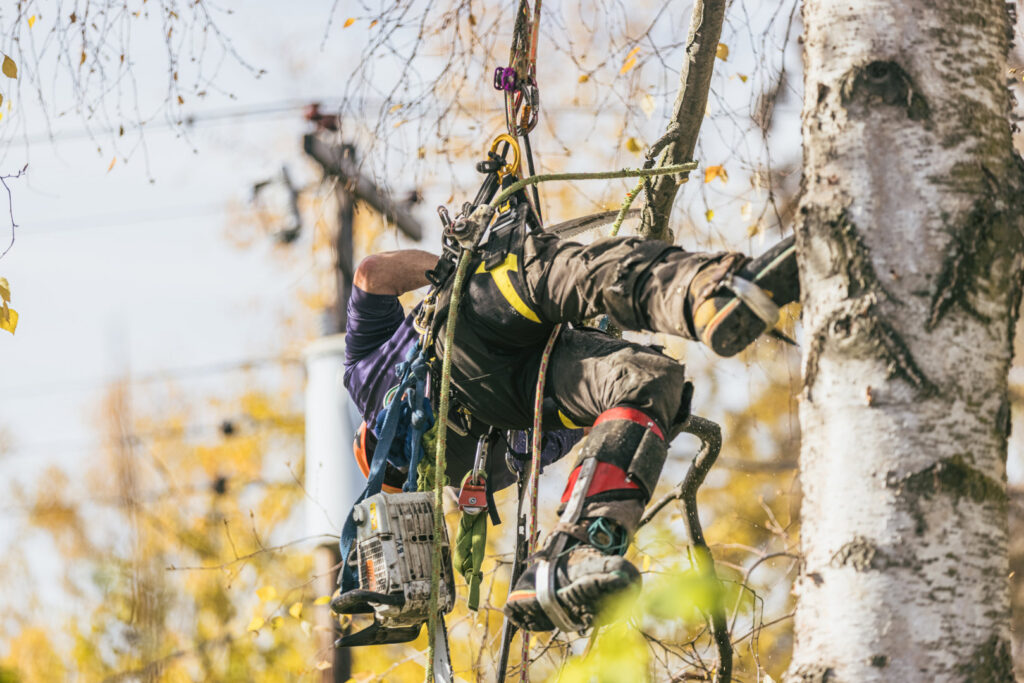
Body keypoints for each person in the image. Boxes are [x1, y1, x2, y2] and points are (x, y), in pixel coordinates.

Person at [341, 203, 797, 633]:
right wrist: (447, 270)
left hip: (518, 388)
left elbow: (576, 425)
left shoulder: (482, 476)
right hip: (472, 328)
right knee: (559, 273)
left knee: (646, 384)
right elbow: (372, 274)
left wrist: (592, 344)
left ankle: (578, 547)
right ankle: (702, 292)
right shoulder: (363, 380)